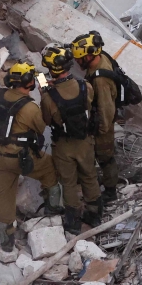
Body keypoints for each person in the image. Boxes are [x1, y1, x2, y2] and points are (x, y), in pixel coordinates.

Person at [0, 61, 63, 251]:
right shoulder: (29, 107)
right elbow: (41, 126)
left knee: (5, 194)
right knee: (49, 166)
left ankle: (6, 241)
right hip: (20, 158)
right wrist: (45, 95)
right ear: (30, 83)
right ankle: (52, 206)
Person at [39, 45, 102, 234]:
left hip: (64, 145)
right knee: (90, 176)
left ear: (51, 69)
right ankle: (94, 214)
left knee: (68, 183)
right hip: (85, 141)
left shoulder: (48, 96)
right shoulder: (85, 86)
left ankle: (73, 222)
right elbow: (88, 107)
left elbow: (46, 120)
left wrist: (45, 93)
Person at [71, 30, 120, 203]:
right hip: (100, 116)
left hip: (103, 124)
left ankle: (110, 190)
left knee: (106, 158)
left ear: (90, 56)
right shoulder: (99, 58)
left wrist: (100, 131)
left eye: (80, 59)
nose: (77, 62)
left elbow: (106, 108)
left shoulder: (100, 80)